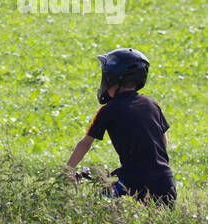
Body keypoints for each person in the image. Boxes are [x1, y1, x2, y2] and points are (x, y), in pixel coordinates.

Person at [65, 48, 176, 205]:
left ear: (113, 80)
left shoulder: (108, 110)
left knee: (98, 205)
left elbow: (85, 143)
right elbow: (163, 140)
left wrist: (66, 171)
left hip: (134, 181)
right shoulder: (151, 104)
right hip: (166, 181)